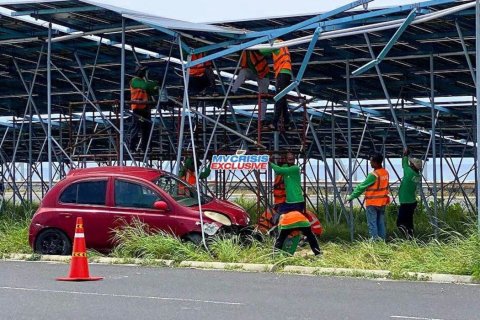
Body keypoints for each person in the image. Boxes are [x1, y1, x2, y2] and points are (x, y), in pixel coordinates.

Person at [346, 153, 390, 240]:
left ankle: (374, 241)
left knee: (372, 223)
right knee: (380, 223)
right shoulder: (385, 172)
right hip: (382, 202)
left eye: (371, 162)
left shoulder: (373, 175)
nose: (370, 163)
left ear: (376, 162)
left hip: (373, 203)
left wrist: (351, 196)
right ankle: (382, 241)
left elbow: (362, 186)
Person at [260, 39, 293, 131]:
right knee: (282, 98)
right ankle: (287, 122)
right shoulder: (284, 44)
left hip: (282, 73)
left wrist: (255, 48)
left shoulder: (277, 43)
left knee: (279, 98)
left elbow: (264, 51)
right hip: (286, 73)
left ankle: (274, 123)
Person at [231, 50, 270, 121]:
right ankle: (233, 91)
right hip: (254, 72)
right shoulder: (244, 51)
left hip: (263, 74)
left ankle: (261, 119)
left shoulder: (256, 48)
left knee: (263, 97)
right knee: (243, 72)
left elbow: (266, 52)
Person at [129, 65, 158, 153]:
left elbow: (153, 90)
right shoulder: (134, 81)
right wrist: (155, 83)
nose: (144, 73)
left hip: (145, 108)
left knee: (146, 129)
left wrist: (155, 86)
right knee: (136, 128)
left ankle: (144, 148)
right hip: (137, 108)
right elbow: (146, 86)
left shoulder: (145, 82)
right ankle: (132, 147)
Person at [397, 148, 422, 238]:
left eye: (411, 163)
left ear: (413, 166)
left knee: (400, 223)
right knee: (409, 221)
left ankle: (407, 236)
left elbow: (404, 164)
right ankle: (411, 236)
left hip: (406, 202)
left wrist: (405, 155)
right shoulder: (417, 176)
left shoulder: (409, 173)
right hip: (411, 201)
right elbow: (406, 165)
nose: (410, 164)